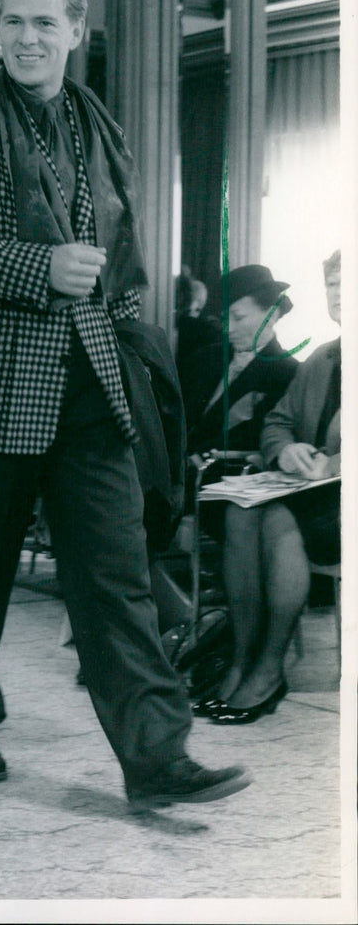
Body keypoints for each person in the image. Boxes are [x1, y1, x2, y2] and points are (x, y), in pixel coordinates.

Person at [0, 0, 249, 811]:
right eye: (14, 22)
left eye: (44, 24)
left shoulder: (98, 122)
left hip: (92, 380)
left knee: (115, 573)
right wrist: (38, 265)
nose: (27, 38)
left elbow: (120, 255)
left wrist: (126, 324)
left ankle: (156, 755)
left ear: (74, 32)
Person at [197, 250, 341, 723]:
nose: (338, 295)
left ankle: (269, 666)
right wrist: (285, 451)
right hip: (312, 489)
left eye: (348, 283)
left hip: (340, 498)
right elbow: (278, 422)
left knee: (277, 518)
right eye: (331, 285)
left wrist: (334, 461)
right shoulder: (324, 357)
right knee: (241, 511)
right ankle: (241, 657)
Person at [183, 264, 299, 460]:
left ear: (271, 315)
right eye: (225, 318)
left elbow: (254, 438)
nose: (228, 328)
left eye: (238, 317)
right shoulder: (203, 357)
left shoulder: (288, 373)